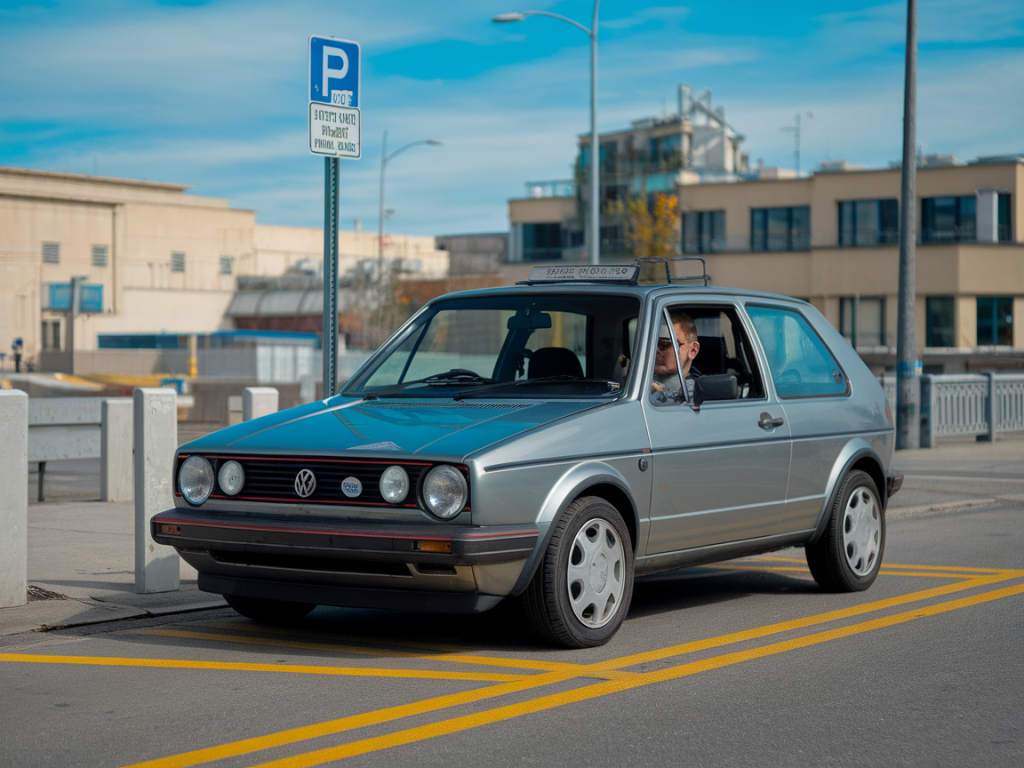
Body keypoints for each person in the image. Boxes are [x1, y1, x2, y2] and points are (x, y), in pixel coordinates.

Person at [650, 310, 701, 404]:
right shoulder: (634, 386)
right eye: (650, 345)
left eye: (664, 344)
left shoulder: (697, 396)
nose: (655, 351)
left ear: (693, 350)